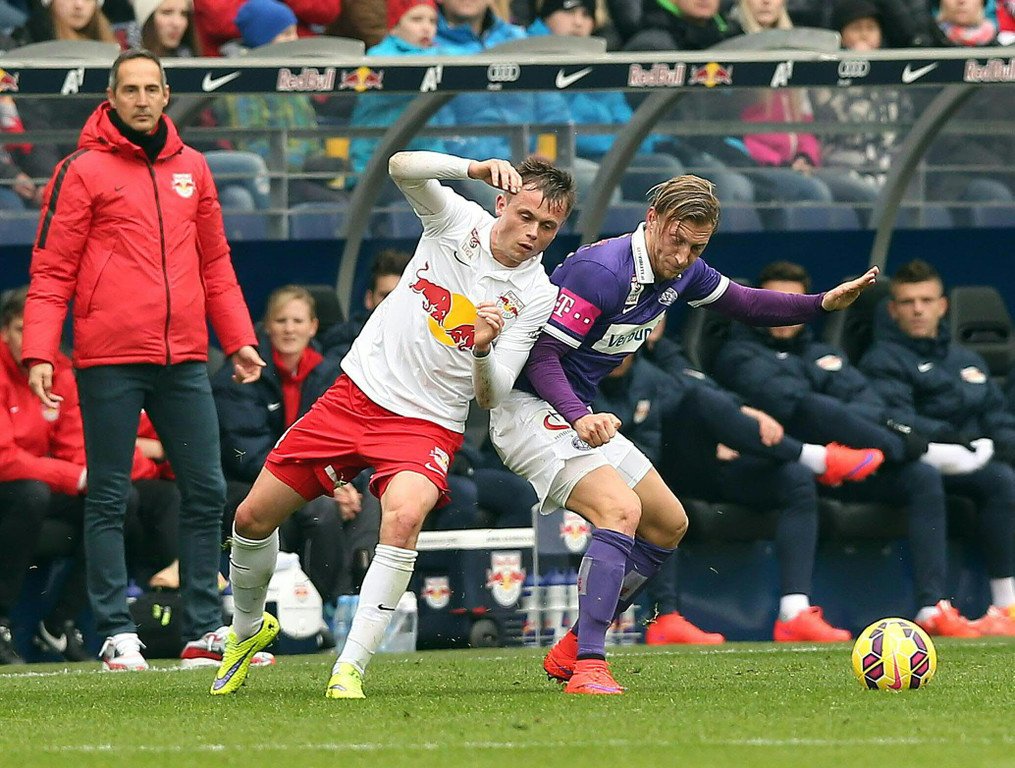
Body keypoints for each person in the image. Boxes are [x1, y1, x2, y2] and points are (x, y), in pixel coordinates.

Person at [489, 175, 881, 695]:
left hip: (573, 413)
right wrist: (580, 416)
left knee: (668, 523)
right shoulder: (602, 271)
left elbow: (745, 303)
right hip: (528, 408)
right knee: (620, 512)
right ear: (652, 218)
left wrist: (821, 304)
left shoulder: (682, 270)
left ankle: (575, 644)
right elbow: (542, 358)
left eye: (696, 247)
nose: (682, 256)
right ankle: (589, 665)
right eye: (677, 240)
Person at [209, 149, 576, 699]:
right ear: (502, 202)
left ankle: (349, 667)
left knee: (402, 518)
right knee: (252, 518)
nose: (533, 233)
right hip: (355, 396)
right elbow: (400, 165)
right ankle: (245, 631)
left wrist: (482, 349)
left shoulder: (537, 295)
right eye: (526, 216)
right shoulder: (456, 219)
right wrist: (472, 169)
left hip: (428, 423)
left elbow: (492, 393)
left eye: (548, 227)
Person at [21, 49, 265, 671]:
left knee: (207, 490)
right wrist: (40, 351)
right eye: (129, 89)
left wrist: (239, 338)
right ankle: (114, 631)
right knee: (109, 494)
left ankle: (204, 628)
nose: (141, 99)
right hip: (107, 358)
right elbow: (51, 268)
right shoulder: (80, 170)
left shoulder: (194, 168)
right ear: (110, 97)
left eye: (151, 88)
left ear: (165, 95)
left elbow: (215, 263)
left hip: (184, 356)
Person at [713, 261, 985, 638]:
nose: (783, 312)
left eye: (793, 302)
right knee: (811, 421)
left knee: (921, 477)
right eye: (774, 302)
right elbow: (794, 405)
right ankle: (794, 614)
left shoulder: (826, 354)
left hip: (851, 466)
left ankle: (931, 608)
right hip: (778, 465)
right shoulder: (737, 355)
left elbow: (869, 404)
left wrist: (855, 428)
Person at [860, 259, 1015, 636]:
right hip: (910, 462)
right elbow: (896, 418)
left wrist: (995, 446)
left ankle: (1006, 606)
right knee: (923, 476)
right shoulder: (881, 360)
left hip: (972, 461)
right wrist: (953, 440)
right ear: (893, 309)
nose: (918, 309)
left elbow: (996, 416)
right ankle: (933, 608)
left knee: (1001, 479)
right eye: (908, 301)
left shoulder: (968, 360)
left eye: (926, 300)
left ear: (942, 306)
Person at [214, 285, 363, 608]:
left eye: (298, 321)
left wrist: (342, 482)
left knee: (372, 499)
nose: (289, 329)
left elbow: (345, 440)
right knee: (321, 509)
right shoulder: (240, 374)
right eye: (281, 321)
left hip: (313, 478)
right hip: (247, 482)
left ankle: (356, 603)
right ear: (267, 326)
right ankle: (321, 606)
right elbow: (246, 452)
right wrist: (323, 484)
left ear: (313, 326)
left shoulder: (330, 374)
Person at [0, 287, 91, 664]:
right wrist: (75, 477)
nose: (31, 341)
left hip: (33, 486)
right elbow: (4, 458)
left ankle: (58, 625)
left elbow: (75, 447)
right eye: (22, 330)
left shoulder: (61, 372)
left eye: (41, 331)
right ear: (4, 332)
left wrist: (85, 476)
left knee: (113, 499)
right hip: (12, 486)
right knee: (31, 494)